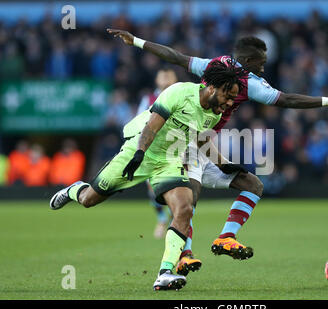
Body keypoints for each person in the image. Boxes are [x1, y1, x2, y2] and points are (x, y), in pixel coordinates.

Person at [107, 28, 328, 276]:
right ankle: (183, 256)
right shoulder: (250, 83)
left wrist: (137, 41)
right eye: (260, 64)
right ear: (248, 62)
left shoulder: (214, 66)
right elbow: (287, 100)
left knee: (253, 185)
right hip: (185, 141)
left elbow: (177, 57)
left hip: (206, 142)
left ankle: (226, 237)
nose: (263, 69)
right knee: (188, 198)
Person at [49, 61, 247, 291]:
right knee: (89, 200)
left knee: (185, 207)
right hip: (140, 151)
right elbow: (151, 127)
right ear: (213, 87)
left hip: (169, 161)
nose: (230, 103)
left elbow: (201, 140)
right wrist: (139, 154)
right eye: (228, 95)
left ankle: (165, 272)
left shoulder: (213, 114)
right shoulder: (179, 92)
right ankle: (74, 190)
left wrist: (223, 164)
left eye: (233, 98)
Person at [137, 68, 178, 239]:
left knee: (176, 186)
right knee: (153, 188)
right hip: (153, 148)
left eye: (169, 75)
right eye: (163, 76)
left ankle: (174, 221)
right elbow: (139, 122)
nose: (166, 79)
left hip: (176, 148)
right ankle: (162, 219)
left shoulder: (180, 96)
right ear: (156, 80)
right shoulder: (148, 99)